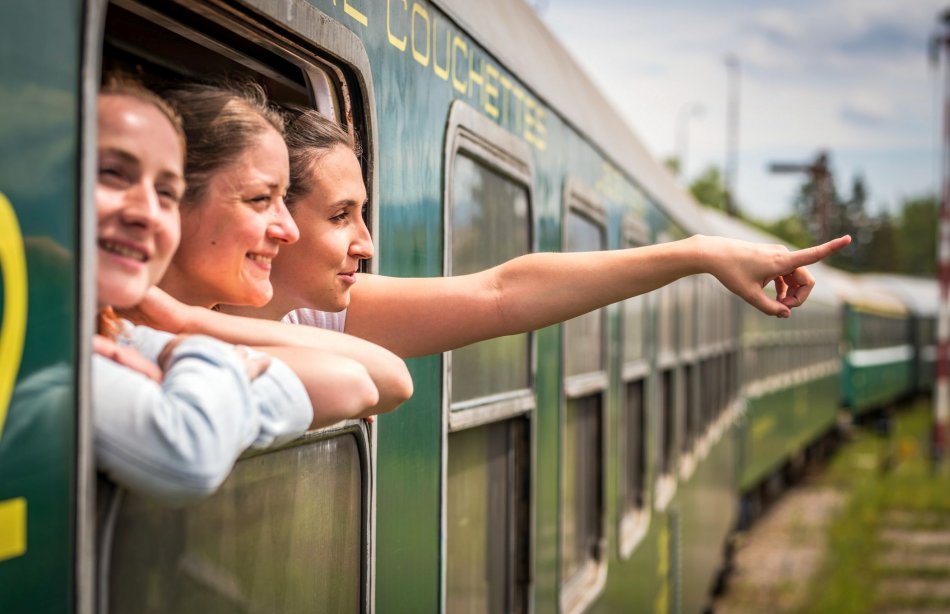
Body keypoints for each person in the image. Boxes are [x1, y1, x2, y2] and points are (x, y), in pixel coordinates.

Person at [213, 107, 852, 358]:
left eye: (362, 214)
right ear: (274, 219)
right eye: (339, 215)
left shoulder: (314, 317)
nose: (367, 243)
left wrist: (700, 253)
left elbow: (503, 295)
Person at [93, 81, 383, 505]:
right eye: (260, 199)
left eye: (165, 192)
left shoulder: (127, 339)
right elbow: (188, 453)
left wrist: (187, 329)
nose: (289, 230)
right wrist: (215, 357)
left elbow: (370, 381)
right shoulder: (92, 348)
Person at [114, 83, 414, 414]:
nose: (289, 230)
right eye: (260, 199)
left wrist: (188, 320)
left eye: (282, 199)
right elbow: (381, 379)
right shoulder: (121, 352)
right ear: (174, 205)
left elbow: (389, 378)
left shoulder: (165, 336)